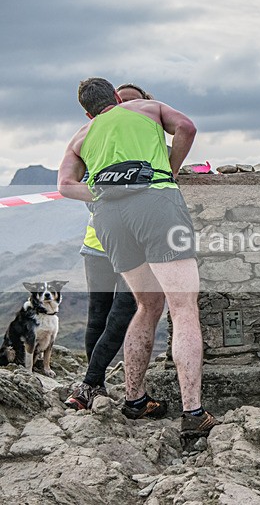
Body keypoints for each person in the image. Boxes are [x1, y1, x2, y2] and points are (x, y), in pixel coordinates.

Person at [57, 77, 217, 438]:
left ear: (87, 110)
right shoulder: (145, 108)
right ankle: (193, 412)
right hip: (156, 202)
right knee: (183, 306)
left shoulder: (81, 135)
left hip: (109, 219)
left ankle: (134, 399)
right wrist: (170, 171)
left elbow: (65, 186)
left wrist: (102, 191)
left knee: (146, 306)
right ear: (116, 97)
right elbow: (187, 128)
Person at [65, 83, 152, 411]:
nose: (126, 109)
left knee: (123, 313)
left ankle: (91, 383)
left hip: (134, 243)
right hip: (99, 243)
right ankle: (94, 383)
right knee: (101, 315)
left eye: (135, 103)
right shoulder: (94, 136)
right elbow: (76, 187)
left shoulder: (147, 137)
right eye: (123, 102)